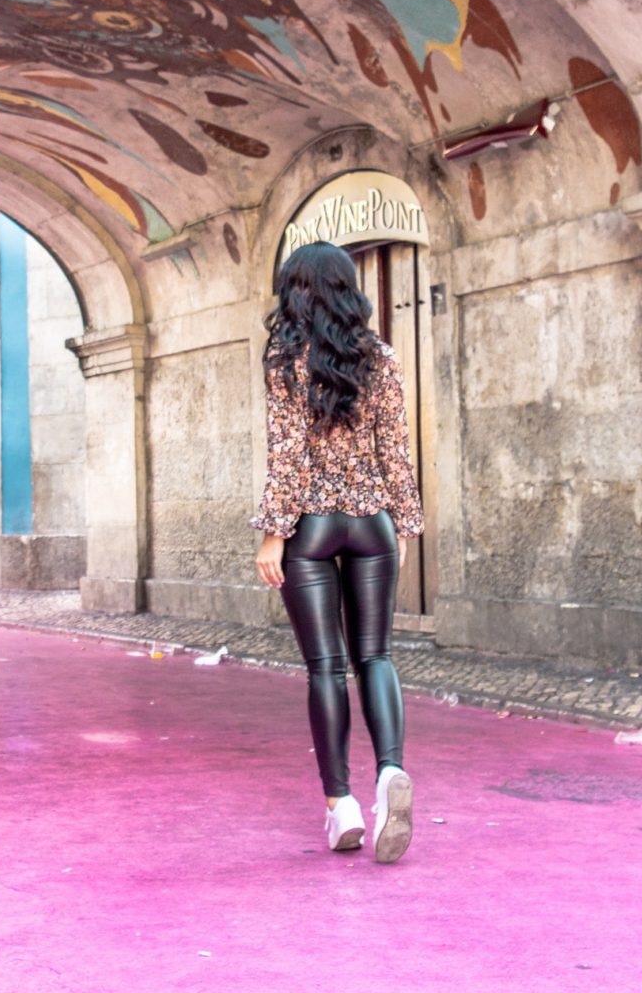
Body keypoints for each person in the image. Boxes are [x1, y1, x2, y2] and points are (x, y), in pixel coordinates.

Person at [252, 240, 425, 859]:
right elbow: (397, 451)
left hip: (315, 526)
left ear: (295, 290)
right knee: (375, 657)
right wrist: (403, 526)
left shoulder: (285, 356)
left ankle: (341, 805)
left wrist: (274, 529)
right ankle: (389, 771)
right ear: (349, 287)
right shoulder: (379, 356)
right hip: (373, 522)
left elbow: (288, 451)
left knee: (326, 667)